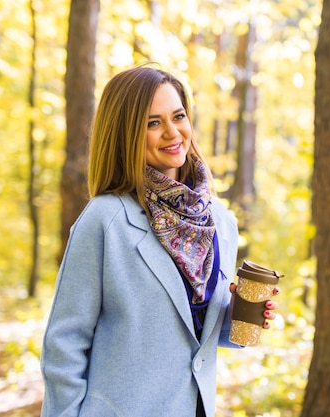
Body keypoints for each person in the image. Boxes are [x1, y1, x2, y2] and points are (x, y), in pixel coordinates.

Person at [40, 63, 279, 417]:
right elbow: (64, 343)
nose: (173, 132)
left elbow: (199, 338)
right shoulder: (106, 220)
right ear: (125, 134)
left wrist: (241, 314)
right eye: (153, 123)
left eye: (178, 116)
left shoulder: (219, 222)